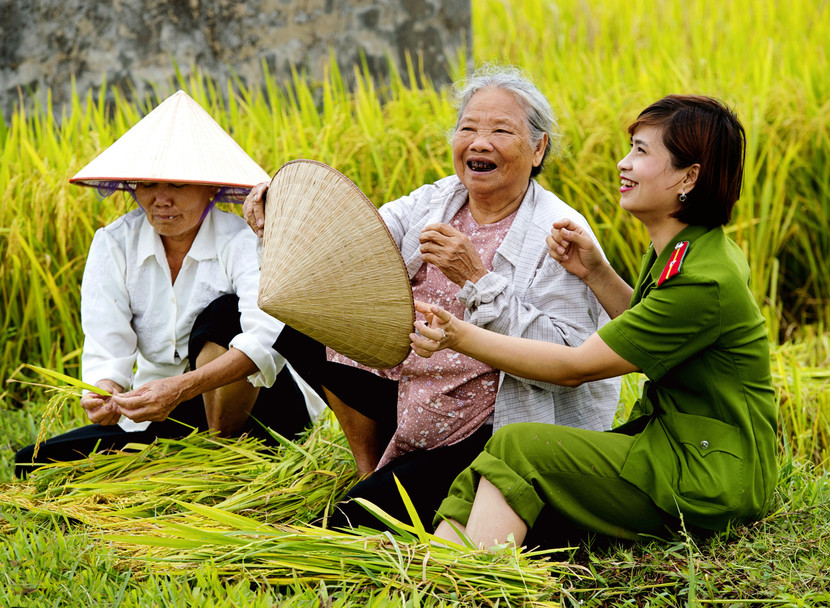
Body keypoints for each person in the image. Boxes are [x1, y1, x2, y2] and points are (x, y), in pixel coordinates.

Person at [243, 65, 620, 529]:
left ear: (538, 148)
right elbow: (354, 242)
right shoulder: (437, 199)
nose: (479, 143)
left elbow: (568, 359)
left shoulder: (558, 233)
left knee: (350, 523)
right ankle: (373, 464)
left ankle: (388, 483)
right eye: (468, 128)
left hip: (487, 421)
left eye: (501, 130)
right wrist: (279, 216)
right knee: (304, 321)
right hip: (410, 382)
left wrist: (477, 278)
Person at [410, 94, 778, 549]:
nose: (623, 164)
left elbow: (576, 367)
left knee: (517, 446)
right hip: (676, 444)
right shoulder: (691, 249)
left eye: (641, 152)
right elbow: (650, 334)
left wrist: (459, 335)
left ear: (688, 176)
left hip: (709, 474)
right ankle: (436, 567)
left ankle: (472, 583)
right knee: (498, 457)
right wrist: (597, 273)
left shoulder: (702, 278)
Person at [14, 91, 325, 478]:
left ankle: (219, 457)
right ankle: (179, 463)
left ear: (211, 189)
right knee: (34, 461)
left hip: (260, 407)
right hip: (162, 411)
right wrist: (106, 391)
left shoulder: (244, 241)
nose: (161, 200)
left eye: (177, 185)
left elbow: (266, 341)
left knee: (223, 315)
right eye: (147, 184)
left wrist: (183, 388)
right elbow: (107, 347)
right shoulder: (113, 244)